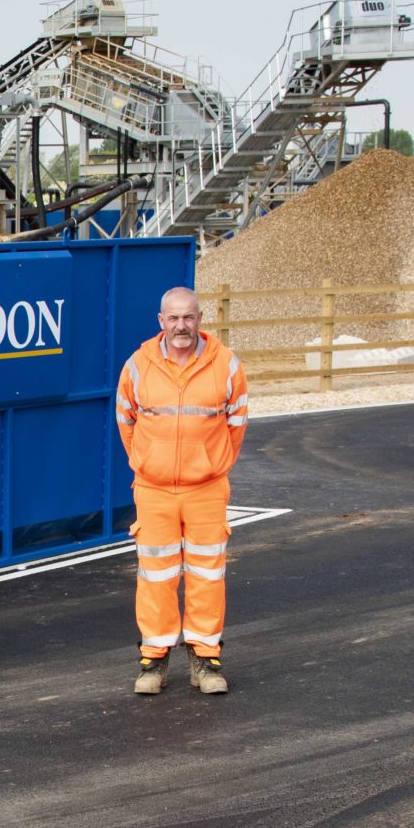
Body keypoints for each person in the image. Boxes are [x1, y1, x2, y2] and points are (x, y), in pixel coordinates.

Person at [115, 286, 248, 695]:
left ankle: (206, 661)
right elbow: (126, 419)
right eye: (173, 318)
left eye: (188, 317)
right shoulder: (138, 365)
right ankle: (153, 662)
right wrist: (146, 462)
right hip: (154, 491)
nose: (181, 326)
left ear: (200, 319)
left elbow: (237, 421)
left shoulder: (225, 364)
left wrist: (213, 464)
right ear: (161, 321)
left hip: (206, 489)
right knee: (155, 577)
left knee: (208, 575)